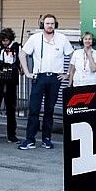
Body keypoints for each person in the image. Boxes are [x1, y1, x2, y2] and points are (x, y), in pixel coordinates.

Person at [18, 14, 73, 150]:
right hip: (39, 77)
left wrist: (67, 74)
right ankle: (30, 139)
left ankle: (46, 139)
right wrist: (27, 72)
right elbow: (22, 54)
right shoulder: (35, 38)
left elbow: (73, 55)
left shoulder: (62, 38)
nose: (50, 26)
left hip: (55, 78)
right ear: (43, 24)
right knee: (34, 109)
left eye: (52, 23)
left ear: (56, 25)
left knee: (49, 109)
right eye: (47, 23)